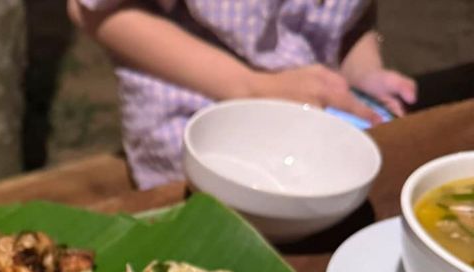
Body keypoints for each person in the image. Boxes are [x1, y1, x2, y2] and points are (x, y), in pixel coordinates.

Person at [68, 0, 417, 188]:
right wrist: (252, 86)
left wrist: (362, 71)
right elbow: (91, 11)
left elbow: (351, 17)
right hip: (199, 138)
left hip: (312, 145)